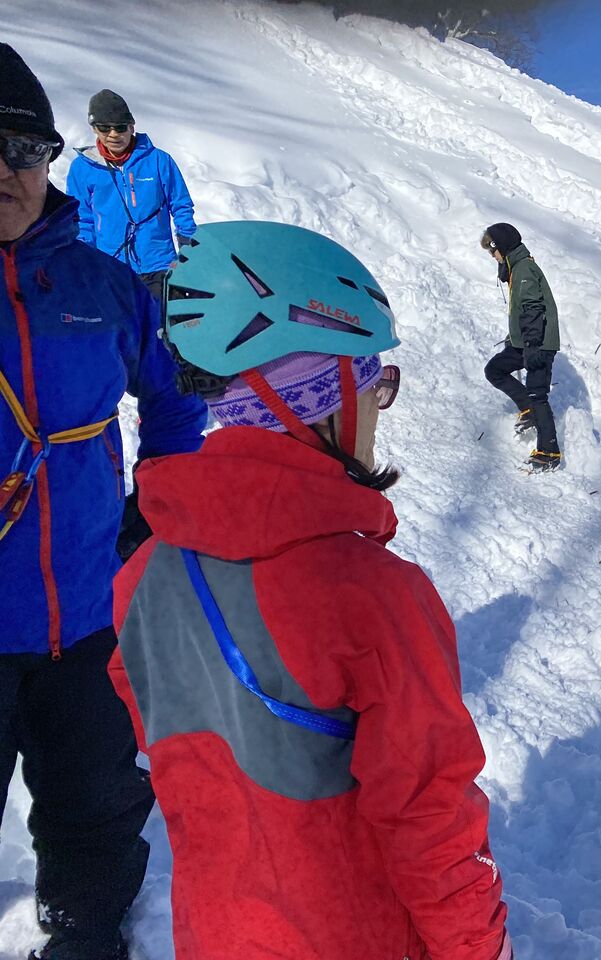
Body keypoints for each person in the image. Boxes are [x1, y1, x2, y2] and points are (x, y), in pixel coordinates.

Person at [109, 221, 513, 960]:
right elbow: (432, 824)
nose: (379, 409)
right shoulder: (375, 595)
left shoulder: (141, 577)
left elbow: (163, 744)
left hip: (214, 936)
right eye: (374, 384)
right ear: (317, 402)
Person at [0, 44, 207, 960]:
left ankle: (84, 937)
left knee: (95, 810)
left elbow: (173, 399)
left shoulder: (105, 285)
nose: (4, 171)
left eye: (20, 149)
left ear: (49, 159)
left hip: (86, 616)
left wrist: (153, 506)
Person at [65, 89, 197, 298]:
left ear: (132, 127)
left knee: (168, 319)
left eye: (120, 127)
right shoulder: (82, 168)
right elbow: (81, 218)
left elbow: (181, 206)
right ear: (94, 129)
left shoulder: (159, 161)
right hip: (110, 266)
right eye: (104, 128)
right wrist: (85, 261)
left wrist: (189, 249)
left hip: (159, 264)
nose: (113, 134)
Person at [480, 221, 562, 472]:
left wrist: (532, 345)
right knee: (495, 370)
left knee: (538, 394)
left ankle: (549, 452)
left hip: (539, 344)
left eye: (492, 250)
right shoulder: (517, 268)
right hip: (525, 342)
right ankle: (528, 408)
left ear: (502, 247)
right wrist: (514, 338)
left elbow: (532, 309)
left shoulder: (524, 269)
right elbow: (521, 312)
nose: (492, 256)